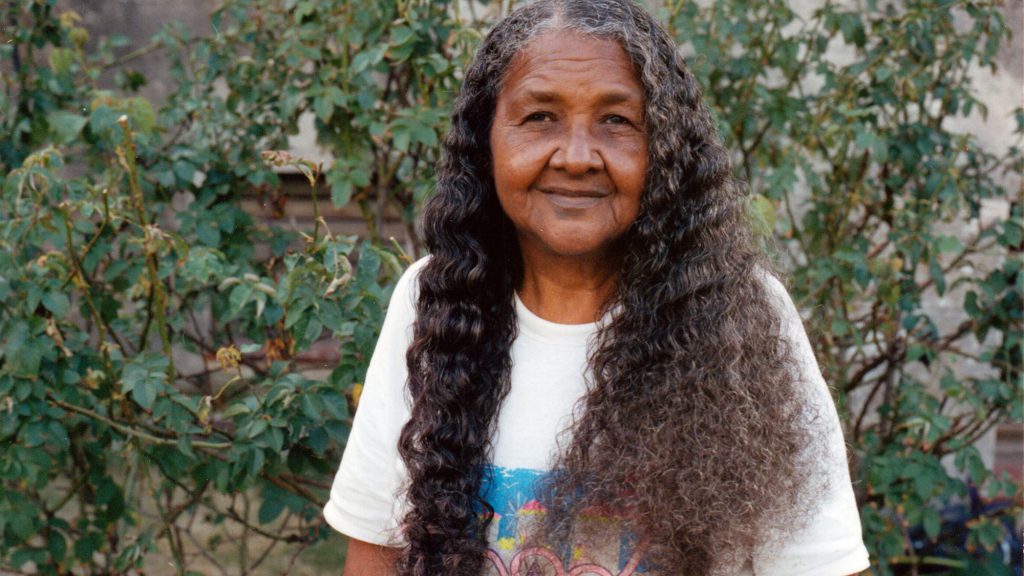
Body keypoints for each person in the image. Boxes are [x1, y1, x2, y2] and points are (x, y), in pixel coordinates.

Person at [324, 1, 871, 575]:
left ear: (664, 149)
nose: (578, 157)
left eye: (617, 121)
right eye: (539, 117)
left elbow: (822, 565)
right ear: (485, 141)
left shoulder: (742, 311)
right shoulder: (429, 300)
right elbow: (375, 554)